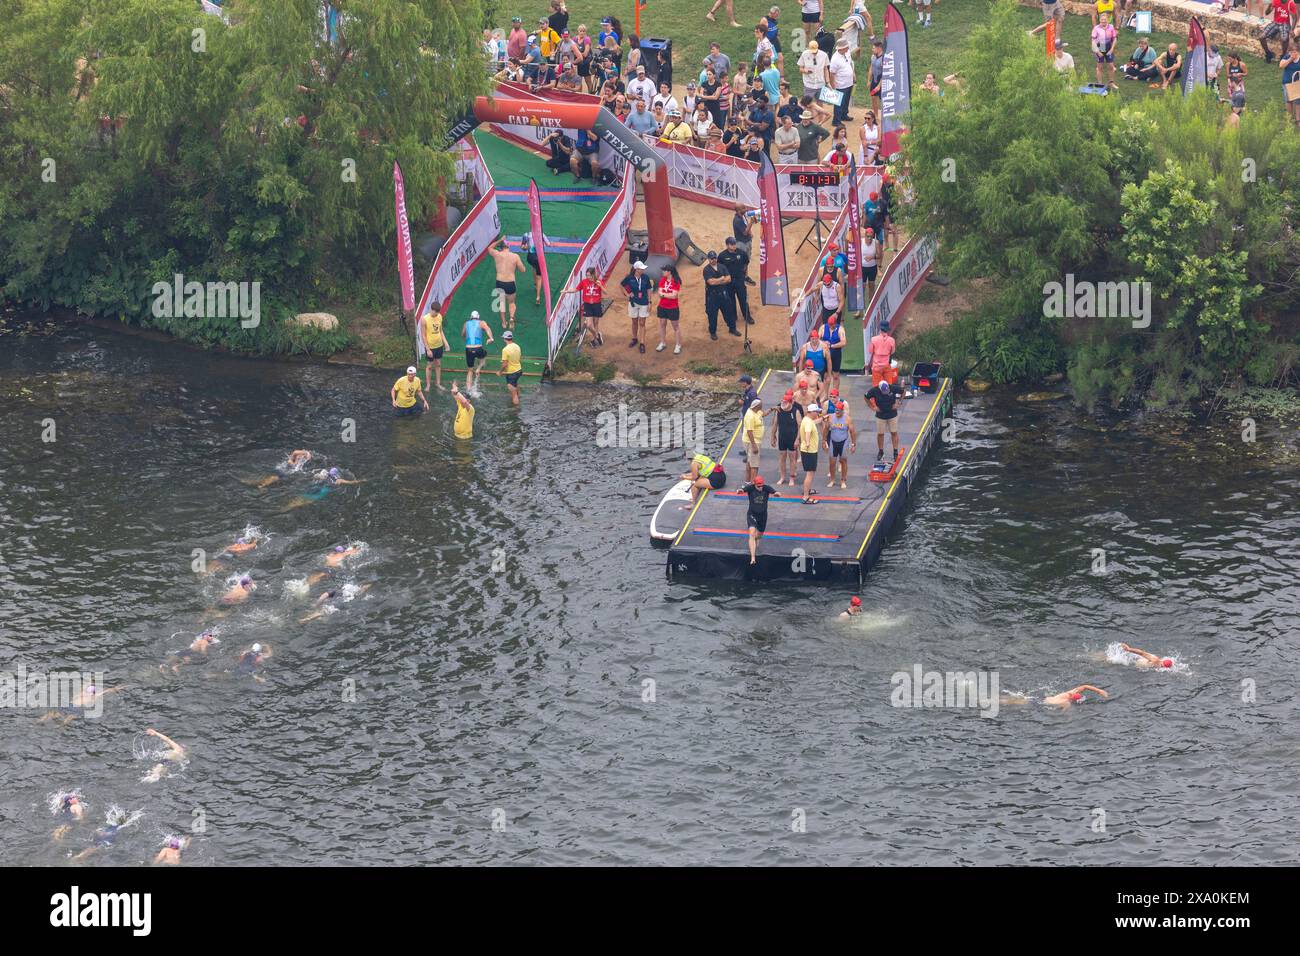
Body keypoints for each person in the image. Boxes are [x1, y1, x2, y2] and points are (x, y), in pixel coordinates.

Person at [488, 239, 526, 329]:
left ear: (501, 247)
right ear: (508, 246)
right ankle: (511, 318)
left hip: (499, 282)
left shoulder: (497, 254)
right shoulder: (515, 256)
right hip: (510, 283)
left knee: (501, 303)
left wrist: (499, 240)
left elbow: (489, 248)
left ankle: (504, 323)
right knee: (511, 303)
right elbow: (523, 270)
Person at [769, 389, 804, 486]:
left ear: (791, 402)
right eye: (783, 402)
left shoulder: (795, 411)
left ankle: (792, 478)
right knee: (782, 457)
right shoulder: (779, 409)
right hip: (782, 437)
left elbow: (800, 426)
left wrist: (798, 439)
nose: (784, 404)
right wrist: (772, 436)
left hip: (792, 438)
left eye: (786, 402)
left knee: (792, 458)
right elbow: (775, 424)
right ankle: (782, 477)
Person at [740, 473, 774, 565]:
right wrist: (740, 490)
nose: (760, 488)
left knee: (758, 536)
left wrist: (777, 493)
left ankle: (755, 541)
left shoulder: (766, 488)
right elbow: (743, 489)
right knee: (751, 533)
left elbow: (774, 491)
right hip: (752, 514)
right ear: (754, 485)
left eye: (761, 486)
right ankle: (753, 558)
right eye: (758, 486)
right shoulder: (750, 488)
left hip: (763, 516)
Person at [703, 251, 738, 339]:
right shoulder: (706, 269)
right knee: (712, 315)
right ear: (708, 259)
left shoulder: (722, 267)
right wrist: (722, 279)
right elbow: (711, 282)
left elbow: (729, 279)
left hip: (723, 294)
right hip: (712, 296)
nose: (713, 260)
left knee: (729, 313)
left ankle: (732, 328)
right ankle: (713, 332)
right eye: (711, 258)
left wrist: (717, 280)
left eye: (714, 258)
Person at [718, 236, 753, 326]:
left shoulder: (741, 253)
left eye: (734, 244)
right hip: (728, 282)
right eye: (731, 244)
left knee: (743, 299)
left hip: (739, 280)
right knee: (731, 300)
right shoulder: (722, 256)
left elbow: (746, 263)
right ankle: (734, 316)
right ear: (727, 245)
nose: (733, 246)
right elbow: (720, 268)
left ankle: (747, 316)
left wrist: (742, 274)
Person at [620, 260, 653, 353]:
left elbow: (649, 290)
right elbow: (621, 285)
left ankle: (642, 343)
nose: (643, 270)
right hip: (633, 303)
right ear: (636, 269)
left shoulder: (646, 277)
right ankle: (635, 338)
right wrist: (626, 294)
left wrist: (650, 302)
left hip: (644, 302)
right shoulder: (629, 278)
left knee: (642, 323)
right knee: (634, 321)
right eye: (641, 269)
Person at [865, 379, 901, 464]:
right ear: (880, 389)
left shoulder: (892, 388)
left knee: (894, 432)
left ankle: (895, 451)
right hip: (880, 415)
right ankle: (881, 451)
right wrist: (872, 406)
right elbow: (866, 397)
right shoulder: (874, 390)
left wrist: (899, 402)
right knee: (880, 434)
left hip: (892, 414)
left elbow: (903, 391)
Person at [824, 398, 856, 488]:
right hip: (833, 442)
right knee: (832, 462)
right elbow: (826, 429)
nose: (837, 412)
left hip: (843, 442)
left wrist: (853, 444)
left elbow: (853, 432)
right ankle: (832, 480)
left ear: (842, 410)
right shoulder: (830, 417)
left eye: (839, 411)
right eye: (836, 410)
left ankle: (843, 480)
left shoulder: (847, 419)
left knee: (843, 461)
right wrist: (823, 441)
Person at [571, 266, 605, 347]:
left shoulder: (598, 282)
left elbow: (606, 292)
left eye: (589, 275)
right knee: (589, 325)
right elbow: (576, 290)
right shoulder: (584, 282)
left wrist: (600, 286)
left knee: (596, 323)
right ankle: (597, 336)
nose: (588, 277)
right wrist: (566, 291)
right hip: (587, 305)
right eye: (587, 275)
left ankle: (594, 340)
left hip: (596, 304)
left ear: (593, 274)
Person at [462, 309, 494, 392]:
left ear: (471, 317)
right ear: (478, 317)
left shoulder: (466, 323)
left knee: (469, 370)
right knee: (484, 355)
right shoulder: (481, 322)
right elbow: (488, 329)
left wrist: (466, 336)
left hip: (468, 348)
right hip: (478, 348)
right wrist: (491, 338)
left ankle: (468, 390)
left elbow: (463, 334)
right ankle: (479, 368)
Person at [654, 265, 683, 354]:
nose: (663, 272)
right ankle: (663, 343)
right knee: (662, 324)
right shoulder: (663, 279)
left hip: (672, 307)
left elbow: (674, 296)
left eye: (664, 271)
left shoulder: (676, 281)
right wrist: (666, 295)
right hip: (662, 306)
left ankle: (678, 345)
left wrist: (663, 294)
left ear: (669, 272)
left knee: (675, 327)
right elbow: (659, 293)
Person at [420, 302, 449, 390]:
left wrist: (446, 343)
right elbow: (423, 335)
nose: (436, 314)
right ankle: (428, 385)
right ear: (431, 310)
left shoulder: (439, 316)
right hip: (430, 347)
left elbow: (440, 331)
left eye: (437, 312)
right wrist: (428, 349)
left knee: (438, 364)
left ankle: (438, 383)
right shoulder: (424, 319)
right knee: (429, 366)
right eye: (435, 312)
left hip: (439, 345)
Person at [1002, 685, 1109, 709]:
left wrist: (1100, 691)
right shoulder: (1067, 703)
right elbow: (1064, 715)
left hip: (1039, 698)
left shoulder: (1068, 693)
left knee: (1013, 699)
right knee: (1011, 702)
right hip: (1039, 703)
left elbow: (1084, 686)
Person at [798, 402, 822, 503]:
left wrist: (823, 418)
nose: (817, 413)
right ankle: (806, 497)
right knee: (810, 473)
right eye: (816, 412)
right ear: (811, 412)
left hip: (808, 450)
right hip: (809, 451)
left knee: (810, 472)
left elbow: (814, 423)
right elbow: (808, 432)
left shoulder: (807, 419)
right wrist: (808, 442)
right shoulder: (808, 422)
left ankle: (807, 490)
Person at [828, 37, 855, 125]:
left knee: (846, 101)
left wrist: (853, 74)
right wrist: (833, 86)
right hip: (840, 85)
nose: (848, 48)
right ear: (842, 48)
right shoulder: (835, 59)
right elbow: (832, 74)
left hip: (849, 82)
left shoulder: (847, 53)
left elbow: (850, 63)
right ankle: (836, 121)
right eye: (847, 47)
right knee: (839, 103)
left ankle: (844, 115)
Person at [820, 312, 847, 394]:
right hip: (825, 355)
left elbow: (844, 342)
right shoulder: (823, 328)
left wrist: (832, 346)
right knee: (826, 376)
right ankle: (825, 395)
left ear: (835, 323)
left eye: (832, 325)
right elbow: (817, 339)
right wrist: (824, 343)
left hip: (835, 354)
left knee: (835, 375)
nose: (831, 327)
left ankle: (835, 393)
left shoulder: (840, 329)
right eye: (829, 325)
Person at [1091, 13, 1118, 89]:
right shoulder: (1096, 28)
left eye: (1105, 20)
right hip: (1101, 46)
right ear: (1099, 20)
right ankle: (1100, 84)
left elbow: (1115, 38)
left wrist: (1112, 49)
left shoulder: (1111, 27)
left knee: (1111, 66)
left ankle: (1111, 83)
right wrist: (1098, 52)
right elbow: (1093, 41)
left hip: (1109, 47)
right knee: (1100, 67)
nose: (1103, 21)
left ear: (1108, 20)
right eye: (1102, 20)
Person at [497, 330, 523, 407]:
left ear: (505, 339)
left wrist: (500, 372)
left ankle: (516, 409)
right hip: (519, 370)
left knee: (512, 391)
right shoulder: (517, 346)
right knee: (515, 385)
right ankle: (519, 398)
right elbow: (519, 358)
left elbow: (505, 364)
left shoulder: (505, 350)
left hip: (512, 373)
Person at [868, 319, 896, 386]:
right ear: (887, 329)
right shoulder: (892, 340)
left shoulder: (873, 339)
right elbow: (892, 352)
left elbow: (870, 351)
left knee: (876, 386)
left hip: (876, 366)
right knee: (888, 385)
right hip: (886, 365)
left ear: (880, 329)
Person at [743, 398, 765, 481]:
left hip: (756, 440)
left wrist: (772, 409)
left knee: (749, 462)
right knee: (754, 465)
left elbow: (763, 414)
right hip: (752, 441)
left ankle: (747, 482)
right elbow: (749, 432)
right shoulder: (750, 416)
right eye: (761, 404)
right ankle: (753, 484)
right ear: (757, 406)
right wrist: (754, 445)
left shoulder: (756, 411)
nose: (762, 405)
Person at [861, 226, 881, 298]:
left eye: (871, 237)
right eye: (868, 236)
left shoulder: (876, 242)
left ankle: (870, 302)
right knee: (862, 287)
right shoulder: (861, 241)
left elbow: (879, 255)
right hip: (862, 267)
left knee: (871, 286)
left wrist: (872, 257)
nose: (869, 238)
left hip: (872, 267)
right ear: (865, 235)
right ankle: (860, 306)